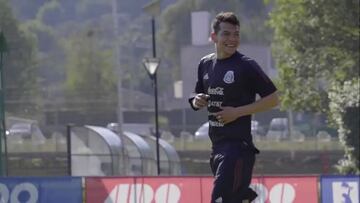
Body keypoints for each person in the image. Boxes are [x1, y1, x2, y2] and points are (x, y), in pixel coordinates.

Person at [189, 12, 279, 203]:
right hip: (217, 149)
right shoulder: (205, 64)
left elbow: (273, 99)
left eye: (236, 34)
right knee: (235, 198)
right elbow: (196, 95)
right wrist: (196, 100)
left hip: (238, 150)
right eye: (226, 34)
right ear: (213, 37)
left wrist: (237, 112)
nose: (232, 39)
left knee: (220, 199)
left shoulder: (246, 66)